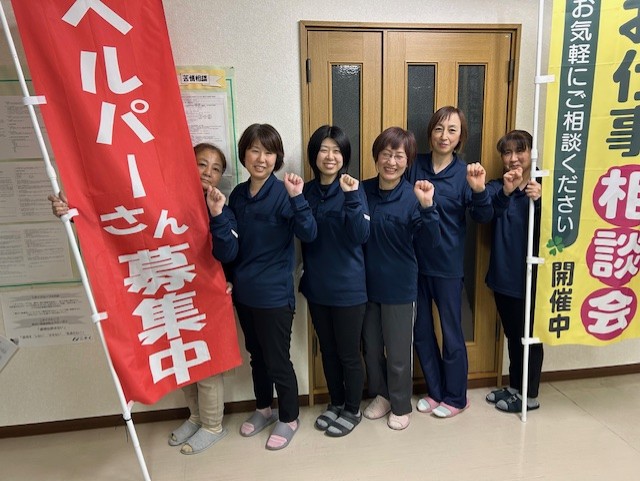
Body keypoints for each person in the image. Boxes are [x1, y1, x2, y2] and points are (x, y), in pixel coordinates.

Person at [48, 143, 238, 455]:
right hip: (168, 293)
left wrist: (217, 215)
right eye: (202, 164)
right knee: (181, 361)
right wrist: (74, 213)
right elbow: (119, 221)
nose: (208, 173)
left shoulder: (220, 206)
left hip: (204, 297)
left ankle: (212, 425)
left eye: (216, 169)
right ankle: (195, 417)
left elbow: (229, 252)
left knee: (206, 365)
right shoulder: (158, 199)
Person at [228, 123, 317, 450]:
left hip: (275, 295)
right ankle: (264, 408)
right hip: (244, 293)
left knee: (278, 359)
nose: (261, 158)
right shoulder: (238, 195)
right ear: (245, 155)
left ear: (277, 157)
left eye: (268, 152)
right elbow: (231, 244)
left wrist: (298, 198)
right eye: (255, 150)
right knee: (257, 357)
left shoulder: (284, 192)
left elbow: (308, 233)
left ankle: (289, 417)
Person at [407, 106, 493, 418]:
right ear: (430, 132)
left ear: (460, 137)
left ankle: (457, 397)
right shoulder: (414, 166)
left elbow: (484, 216)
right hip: (413, 265)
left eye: (452, 130)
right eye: (439, 129)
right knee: (421, 331)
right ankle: (436, 391)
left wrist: (479, 191)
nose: (444, 136)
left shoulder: (465, 173)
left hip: (447, 266)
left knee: (451, 333)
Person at [361, 127, 440, 430]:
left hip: (400, 287)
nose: (391, 162)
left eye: (399, 156)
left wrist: (428, 206)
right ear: (376, 156)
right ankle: (382, 395)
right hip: (365, 286)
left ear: (408, 161)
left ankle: (400, 403)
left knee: (397, 353)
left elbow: (432, 242)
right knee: (371, 349)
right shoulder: (363, 191)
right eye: (386, 154)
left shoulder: (414, 196)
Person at [299, 125, 369, 437]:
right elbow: (305, 234)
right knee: (327, 350)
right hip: (317, 287)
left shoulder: (354, 188)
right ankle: (336, 402)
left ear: (344, 157)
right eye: (324, 150)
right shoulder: (306, 192)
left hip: (348, 288)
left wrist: (351, 197)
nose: (330, 156)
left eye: (337, 150)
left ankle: (353, 408)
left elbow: (361, 235)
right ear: (314, 155)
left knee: (348, 353)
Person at [484, 130, 543, 413]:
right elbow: (485, 214)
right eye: (507, 152)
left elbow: (558, 231)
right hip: (502, 275)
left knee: (529, 337)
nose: (514, 158)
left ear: (532, 153)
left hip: (530, 278)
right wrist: (507, 192)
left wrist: (540, 201)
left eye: (520, 151)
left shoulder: (542, 187)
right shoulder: (497, 188)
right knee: (512, 334)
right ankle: (515, 386)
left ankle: (529, 396)